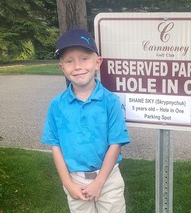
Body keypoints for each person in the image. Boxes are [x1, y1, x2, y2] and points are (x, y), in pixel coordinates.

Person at [41, 28, 130, 213]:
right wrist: (67, 183)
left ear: (97, 62)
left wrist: (99, 182)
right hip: (75, 180)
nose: (77, 66)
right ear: (62, 68)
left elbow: (115, 144)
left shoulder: (110, 101)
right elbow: (55, 146)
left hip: (108, 178)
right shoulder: (57, 105)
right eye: (69, 61)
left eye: (84, 58)